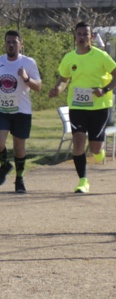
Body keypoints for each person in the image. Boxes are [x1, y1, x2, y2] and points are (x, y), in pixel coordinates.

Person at [48, 22, 116, 193]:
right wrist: (58, 89)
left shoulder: (101, 56)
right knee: (78, 141)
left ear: (91, 37)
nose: (82, 37)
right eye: (79, 34)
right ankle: (83, 181)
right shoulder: (69, 58)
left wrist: (105, 89)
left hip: (99, 107)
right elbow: (64, 79)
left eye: (86, 34)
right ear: (75, 36)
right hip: (77, 106)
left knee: (95, 149)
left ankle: (98, 151)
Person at [0, 30, 42, 193]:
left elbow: (38, 87)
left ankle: (19, 179)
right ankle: (4, 165)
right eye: (8, 42)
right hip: (1, 109)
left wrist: (26, 78)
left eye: (14, 42)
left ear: (21, 45)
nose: (11, 45)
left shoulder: (29, 63)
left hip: (21, 111)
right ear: (5, 44)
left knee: (19, 148)